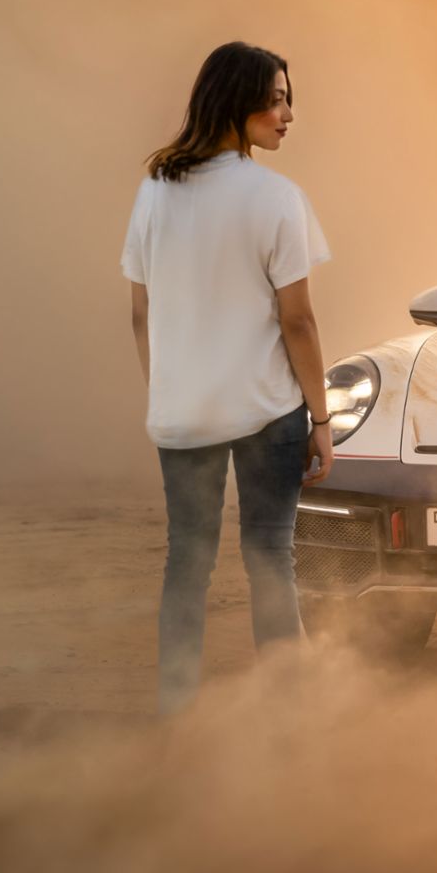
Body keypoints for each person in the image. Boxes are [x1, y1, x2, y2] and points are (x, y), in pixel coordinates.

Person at [120, 41, 333, 716]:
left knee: (187, 563)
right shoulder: (275, 197)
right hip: (268, 410)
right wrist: (322, 420)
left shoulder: (155, 187)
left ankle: (174, 715)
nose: (288, 113)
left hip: (182, 413)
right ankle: (288, 717)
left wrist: (169, 388)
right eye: (275, 98)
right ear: (236, 101)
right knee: (270, 555)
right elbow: (297, 321)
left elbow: (138, 311)